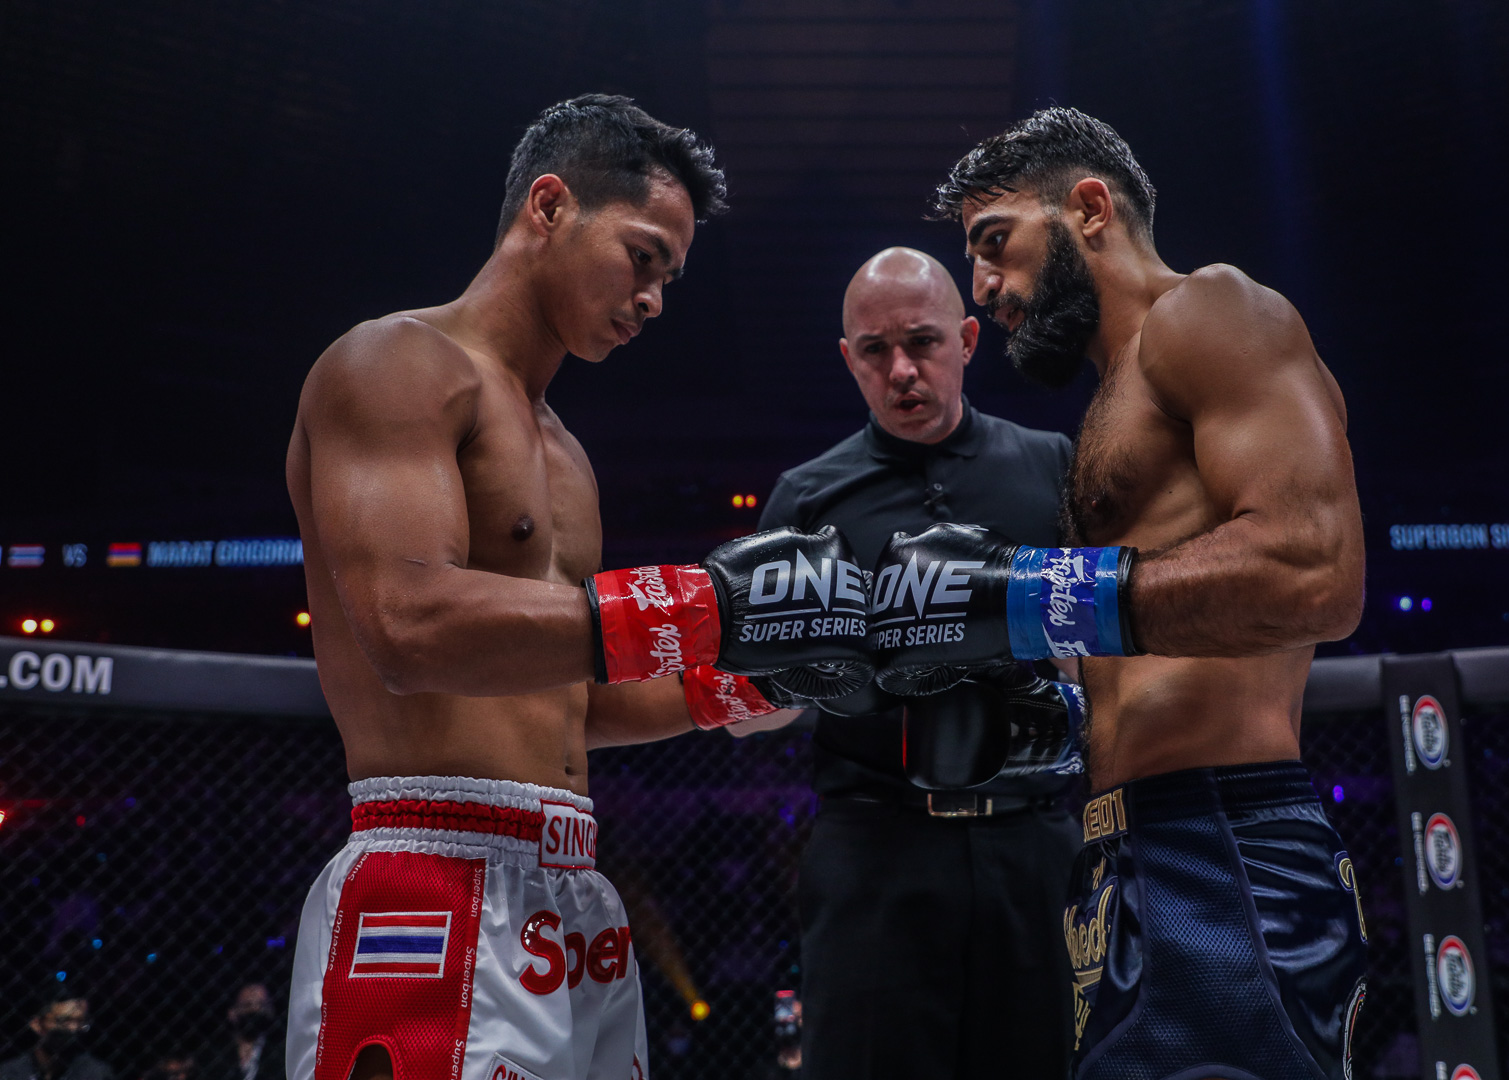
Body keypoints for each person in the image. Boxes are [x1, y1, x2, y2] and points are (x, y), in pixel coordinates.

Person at [284, 94, 868, 1080]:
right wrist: (696, 607)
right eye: (643, 257)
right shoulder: (393, 366)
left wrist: (728, 684)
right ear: (549, 206)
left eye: (670, 278)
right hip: (432, 863)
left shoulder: (566, 455)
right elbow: (408, 626)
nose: (654, 300)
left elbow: (566, 692)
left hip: (575, 893)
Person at [878, 107, 1370, 1079]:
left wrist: (1022, 595)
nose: (983, 286)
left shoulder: (1216, 311)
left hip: (1225, 843)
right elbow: (1144, 635)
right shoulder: (1115, 399)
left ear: (1090, 209)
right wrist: (1054, 711)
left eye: (995, 242)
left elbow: (1317, 571)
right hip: (1121, 855)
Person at [735, 247, 1083, 1079]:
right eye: (874, 351)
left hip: (1032, 844)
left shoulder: (1051, 467)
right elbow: (755, 709)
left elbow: (1101, 656)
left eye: (922, 343)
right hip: (874, 851)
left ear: (967, 339)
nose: (900, 370)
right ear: (847, 358)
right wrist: (805, 670)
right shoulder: (804, 498)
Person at [0, 982, 111, 1080]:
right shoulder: (9, 1074)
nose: (73, 1028)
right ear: (37, 1024)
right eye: (63, 1021)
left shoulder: (96, 1074)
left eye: (80, 1022)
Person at [198, 983, 282, 1080]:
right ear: (232, 1013)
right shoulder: (211, 1055)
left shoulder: (282, 1054)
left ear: (270, 1012)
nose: (255, 1009)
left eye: (262, 1005)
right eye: (247, 1005)